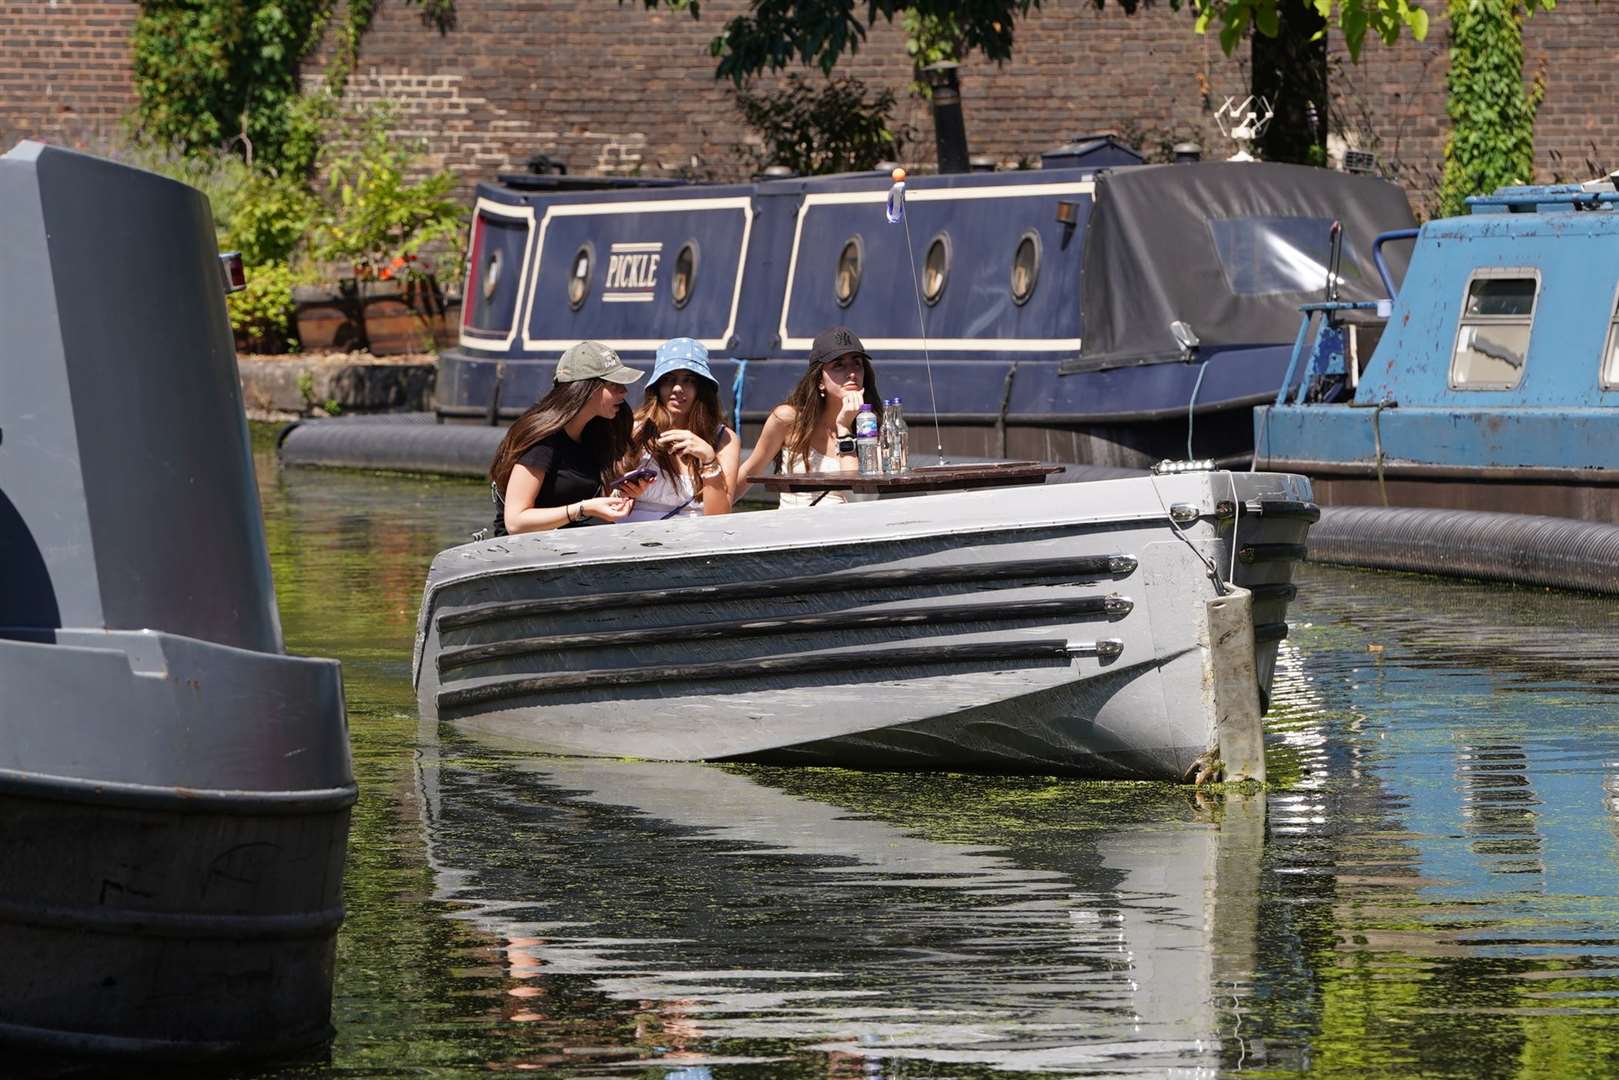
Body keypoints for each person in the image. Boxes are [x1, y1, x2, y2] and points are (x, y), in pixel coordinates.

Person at [487, 341, 650, 536]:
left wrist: (622, 495)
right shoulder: (543, 441)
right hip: (522, 553)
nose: (624, 391)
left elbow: (592, 505)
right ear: (586, 388)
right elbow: (515, 522)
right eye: (614, 384)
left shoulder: (594, 433)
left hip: (570, 545)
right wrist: (583, 509)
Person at [738, 325, 882, 508]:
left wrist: (844, 429)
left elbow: (861, 501)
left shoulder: (873, 428)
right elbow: (749, 473)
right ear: (820, 381)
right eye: (838, 365)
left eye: (857, 363)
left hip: (845, 532)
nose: (852, 373)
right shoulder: (787, 420)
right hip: (793, 531)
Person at [624, 337, 741, 521]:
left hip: (695, 541)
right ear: (657, 386)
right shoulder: (635, 429)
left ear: (701, 388)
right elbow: (607, 499)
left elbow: (719, 518)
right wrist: (625, 493)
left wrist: (709, 460)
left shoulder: (724, 438)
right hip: (634, 539)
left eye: (689, 380)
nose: (678, 388)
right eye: (669, 379)